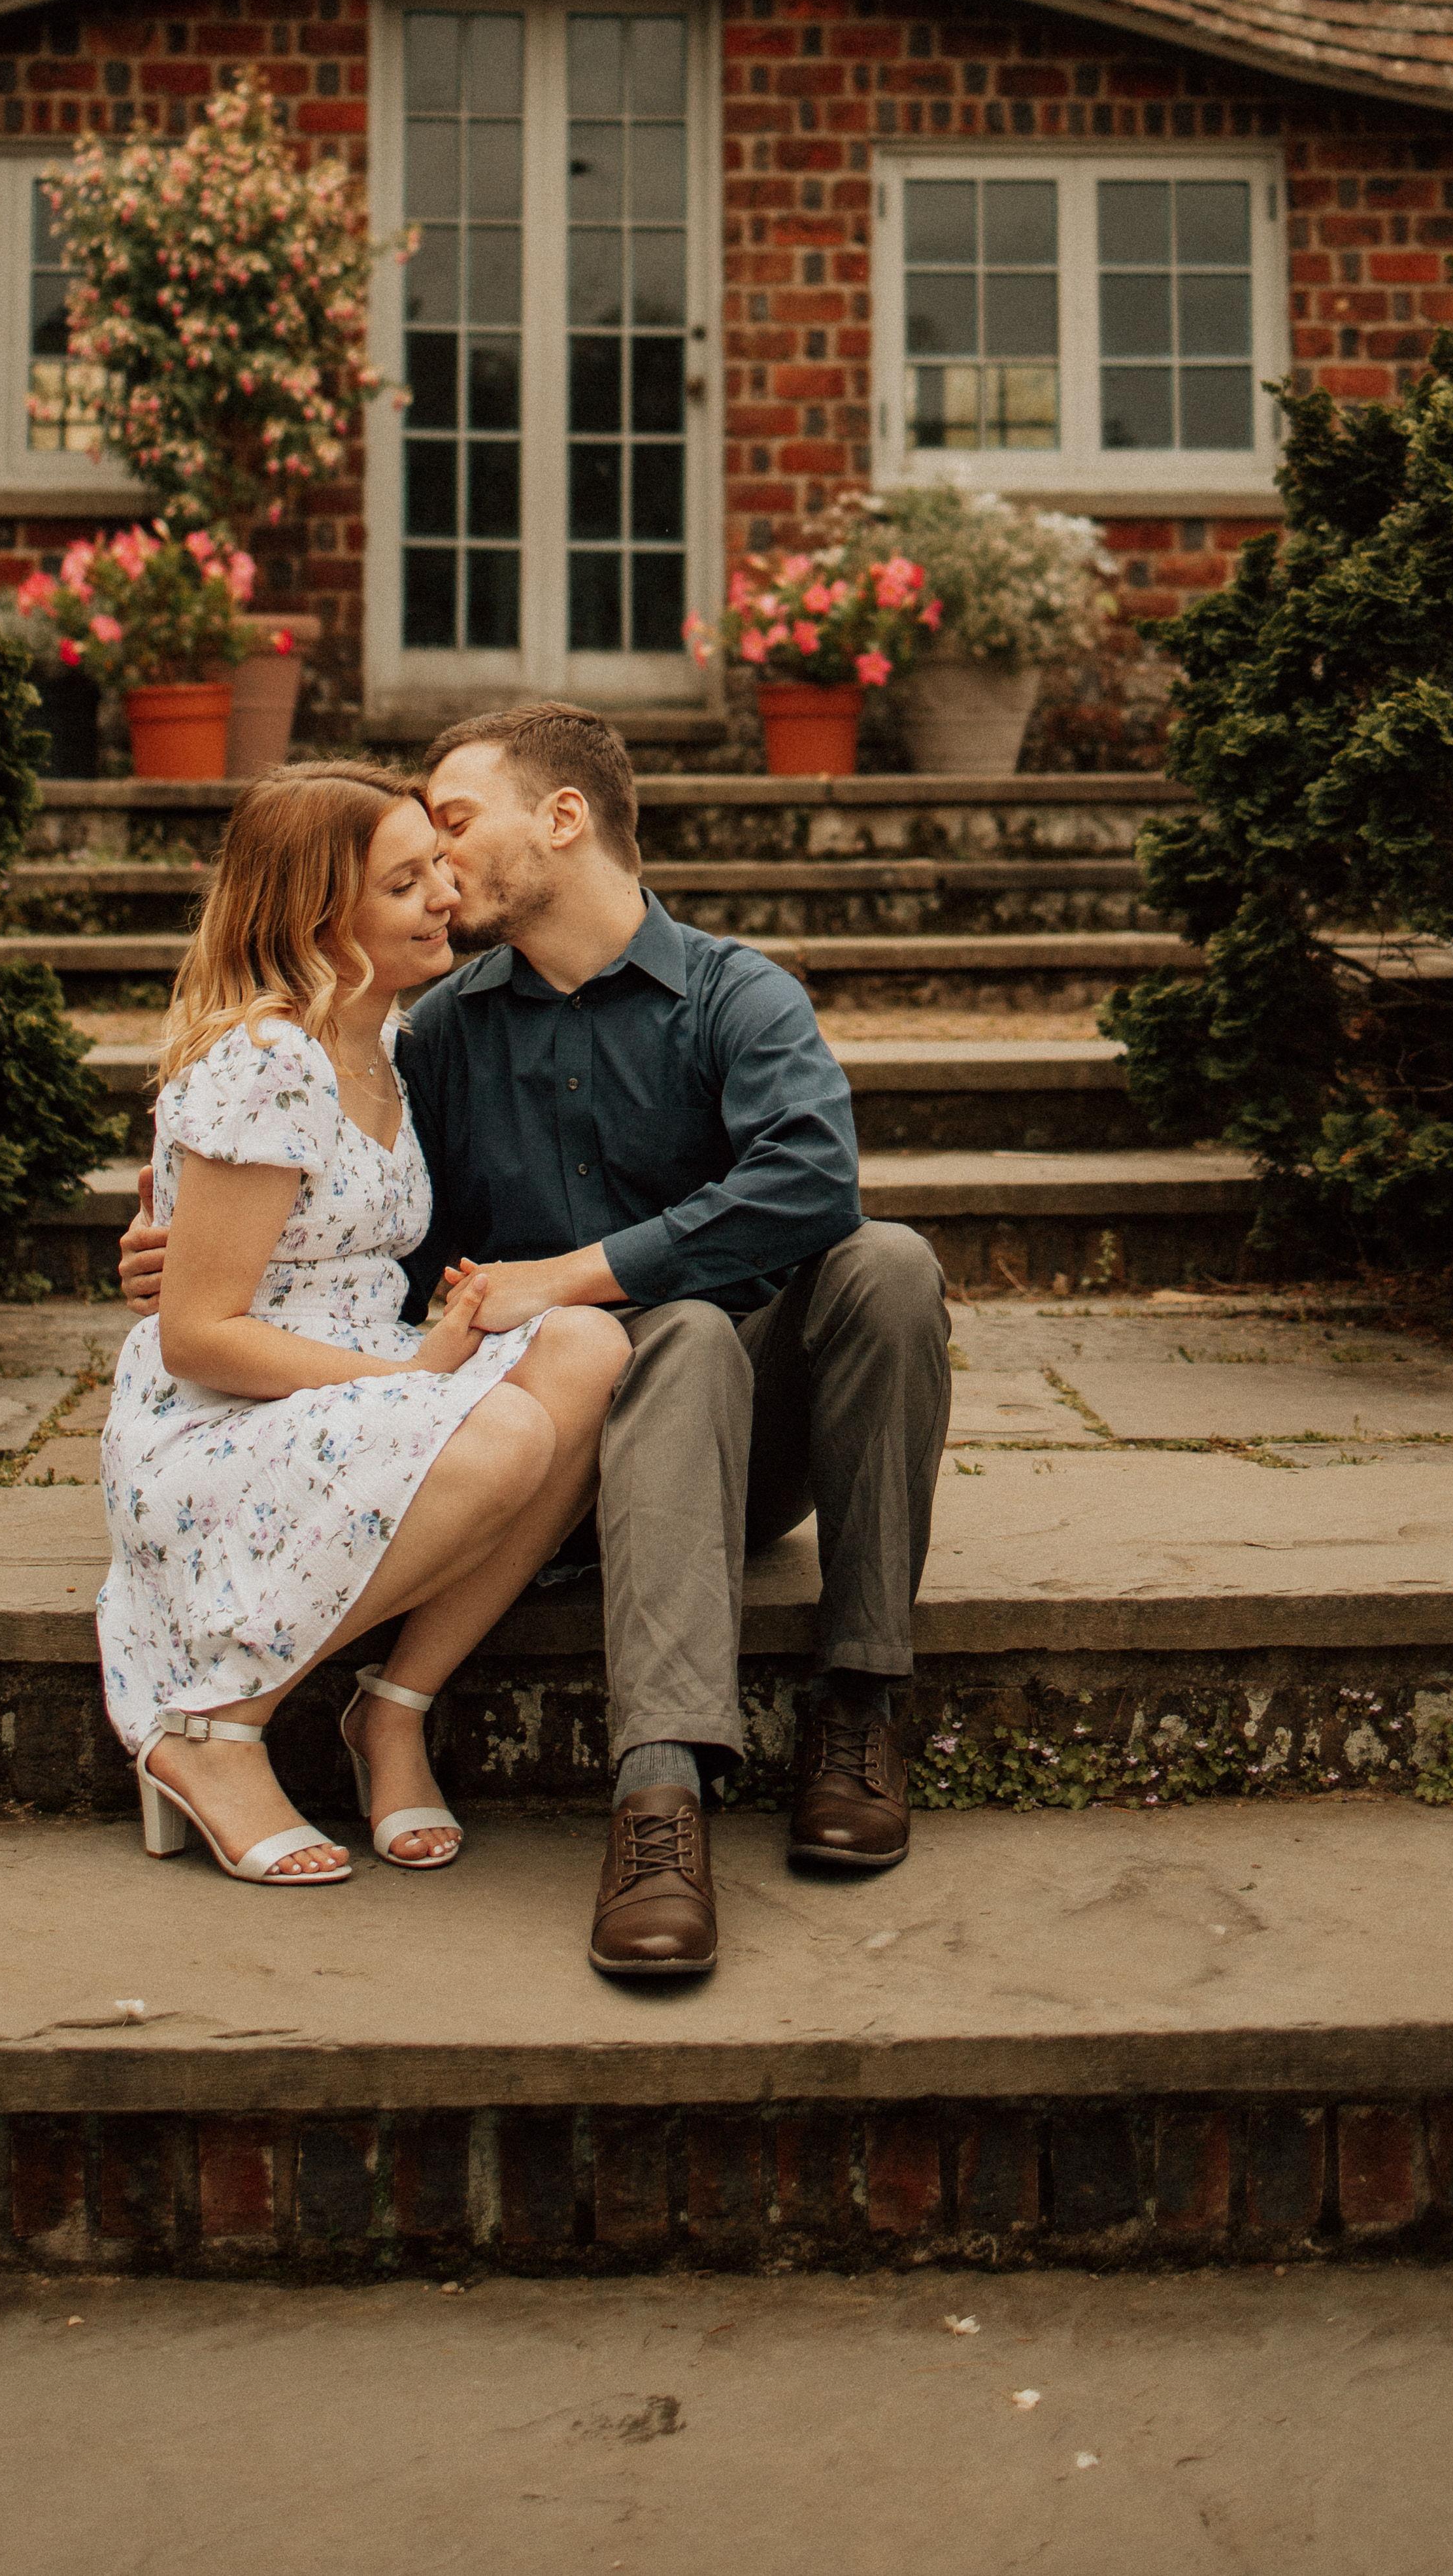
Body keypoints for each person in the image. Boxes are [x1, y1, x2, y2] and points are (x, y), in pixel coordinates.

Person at [118, 703, 950, 1975]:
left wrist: (569, 1275)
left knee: (886, 1264)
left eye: (452, 825)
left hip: (741, 1443)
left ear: (563, 818)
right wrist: (183, 1254)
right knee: (671, 1333)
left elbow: (811, 1182)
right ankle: (659, 1798)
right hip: (554, 1452)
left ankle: (861, 1707)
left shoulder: (736, 994)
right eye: (415, 855)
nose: (437, 867)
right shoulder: (438, 1034)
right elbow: (353, 1233)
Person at [96, 760, 631, 1886]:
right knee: (504, 1433)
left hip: (353, 1374)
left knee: (587, 1346)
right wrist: (417, 1378)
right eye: (404, 884)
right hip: (222, 1413)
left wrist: (444, 1338)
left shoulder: (383, 1045)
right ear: (316, 920)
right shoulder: (269, 1061)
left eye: (437, 864)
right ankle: (212, 1727)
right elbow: (199, 1335)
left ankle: (393, 1708)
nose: (446, 894)